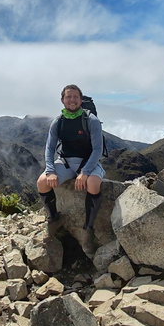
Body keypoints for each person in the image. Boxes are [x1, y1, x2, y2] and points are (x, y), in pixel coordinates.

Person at [36, 84, 106, 256]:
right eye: (68, 97)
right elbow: (49, 148)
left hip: (89, 161)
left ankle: (88, 230)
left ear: (81, 100)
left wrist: (85, 172)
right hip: (66, 162)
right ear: (62, 100)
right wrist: (50, 170)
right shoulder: (58, 122)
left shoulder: (91, 120)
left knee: (93, 183)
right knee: (42, 183)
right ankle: (54, 219)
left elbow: (98, 149)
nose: (72, 100)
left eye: (75, 97)